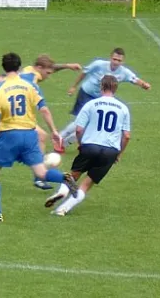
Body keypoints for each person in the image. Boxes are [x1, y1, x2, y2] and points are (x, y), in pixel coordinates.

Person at [0, 56, 82, 190]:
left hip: (2, 109)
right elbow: (3, 79)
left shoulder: (30, 70)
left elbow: (48, 68)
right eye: (48, 73)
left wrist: (67, 65)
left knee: (40, 136)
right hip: (5, 113)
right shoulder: (30, 79)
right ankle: (40, 176)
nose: (48, 76)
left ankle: (39, 176)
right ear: (39, 68)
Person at [0, 52, 78, 221]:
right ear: (20, 68)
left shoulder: (0, 88)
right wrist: (54, 131)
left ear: (4, 68)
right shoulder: (30, 86)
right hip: (30, 135)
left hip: (9, 135)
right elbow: (44, 110)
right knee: (41, 172)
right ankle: (64, 177)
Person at [45, 75, 130, 216]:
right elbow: (127, 136)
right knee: (86, 184)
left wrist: (81, 143)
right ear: (115, 88)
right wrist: (119, 154)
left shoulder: (91, 104)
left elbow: (78, 129)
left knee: (73, 176)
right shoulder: (123, 108)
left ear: (101, 87)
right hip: (110, 151)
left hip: (90, 146)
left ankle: (61, 192)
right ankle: (62, 209)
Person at [56, 48, 150, 153]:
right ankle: (60, 137)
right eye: (114, 59)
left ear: (122, 62)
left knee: (89, 125)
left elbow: (134, 79)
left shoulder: (124, 72)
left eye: (119, 61)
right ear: (110, 58)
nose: (116, 62)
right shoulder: (99, 64)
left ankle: (65, 142)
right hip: (86, 94)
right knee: (80, 122)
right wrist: (74, 86)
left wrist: (144, 85)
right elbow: (84, 72)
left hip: (100, 99)